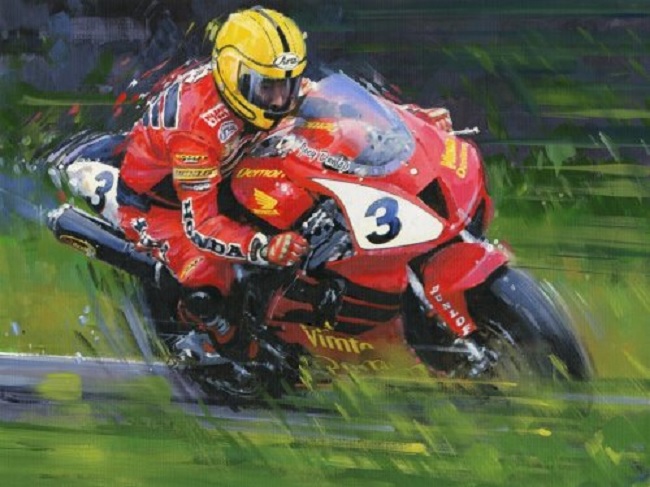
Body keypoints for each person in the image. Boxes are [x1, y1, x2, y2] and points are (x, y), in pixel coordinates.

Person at [116, 5, 454, 363]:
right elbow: (200, 226)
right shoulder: (196, 130)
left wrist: (411, 119)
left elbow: (340, 106)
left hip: (231, 166)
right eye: (268, 88)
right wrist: (264, 248)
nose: (280, 100)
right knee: (208, 272)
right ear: (235, 76)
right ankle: (219, 341)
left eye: (287, 84)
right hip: (161, 204)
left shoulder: (261, 85)